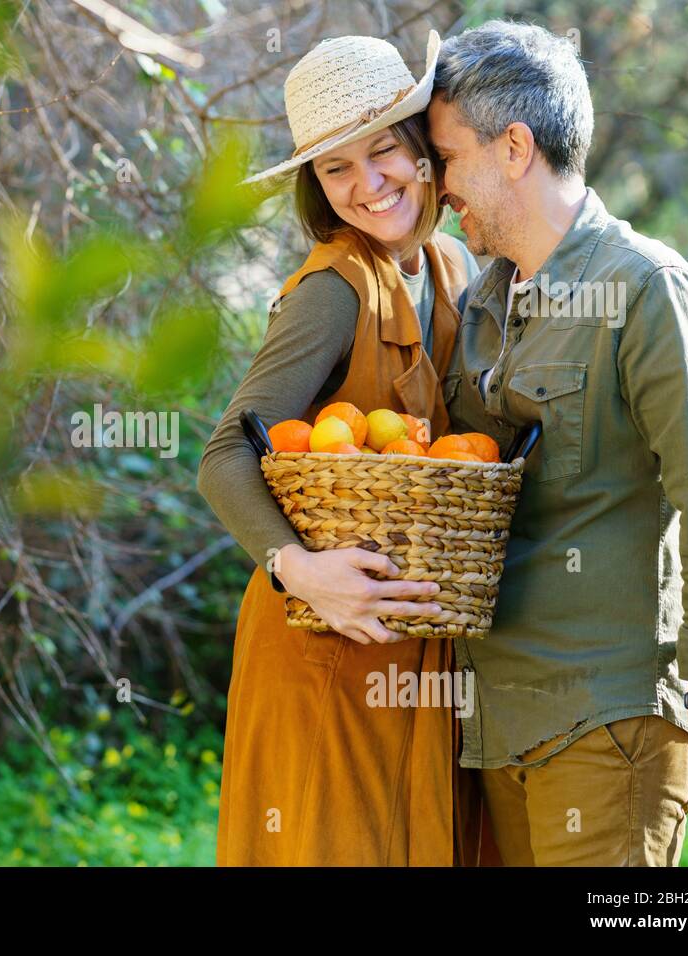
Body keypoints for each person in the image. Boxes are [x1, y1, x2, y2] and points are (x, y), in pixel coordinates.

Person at [427, 18, 688, 865]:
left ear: (514, 147)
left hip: (607, 728)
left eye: (446, 159)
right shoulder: (482, 307)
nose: (438, 188)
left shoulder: (649, 291)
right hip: (495, 729)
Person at [197, 31, 491, 865]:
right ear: (315, 186)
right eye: (336, 168)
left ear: (423, 149)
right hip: (324, 641)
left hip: (415, 641)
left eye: (384, 150)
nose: (367, 185)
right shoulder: (333, 289)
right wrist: (303, 571)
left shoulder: (453, 266)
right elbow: (225, 455)